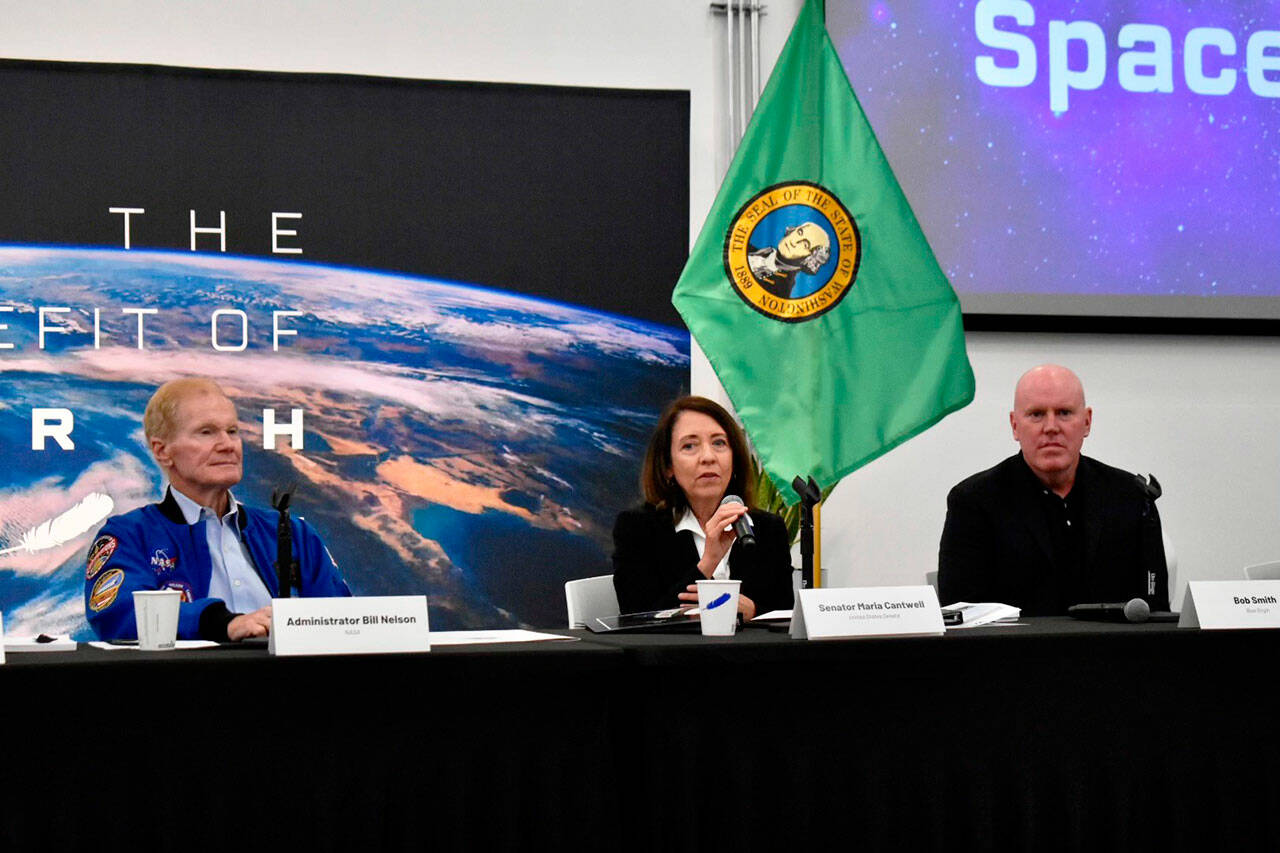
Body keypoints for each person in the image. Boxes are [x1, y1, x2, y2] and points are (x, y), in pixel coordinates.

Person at [84, 378, 350, 641]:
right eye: (206, 432)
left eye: (232, 431)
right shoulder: (129, 536)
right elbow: (118, 615)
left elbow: (344, 623)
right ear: (162, 451)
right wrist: (221, 624)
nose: (227, 444)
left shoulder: (293, 533)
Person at [937, 364, 1169, 615]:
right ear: (1015, 426)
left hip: (1111, 652)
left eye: (1064, 413)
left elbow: (1155, 611)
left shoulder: (1131, 496)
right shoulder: (974, 502)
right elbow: (960, 615)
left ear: (1087, 422)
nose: (1051, 427)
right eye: (1036, 414)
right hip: (1012, 652)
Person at [612, 395, 794, 621]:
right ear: (668, 466)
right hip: (674, 655)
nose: (708, 457)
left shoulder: (767, 529)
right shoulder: (638, 528)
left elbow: (786, 616)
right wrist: (708, 561)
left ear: (734, 458)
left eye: (719, 443)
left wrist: (755, 611)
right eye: (689, 446)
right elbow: (637, 619)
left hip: (753, 655)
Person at [747, 221, 831, 298]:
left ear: (809, 260)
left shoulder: (778, 292)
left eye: (805, 245)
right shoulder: (747, 248)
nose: (794, 242)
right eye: (800, 232)